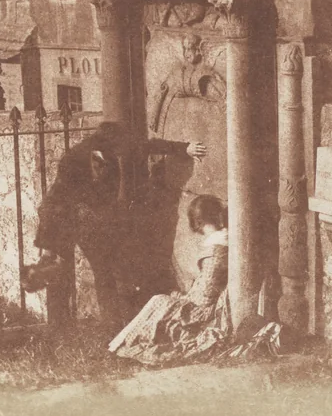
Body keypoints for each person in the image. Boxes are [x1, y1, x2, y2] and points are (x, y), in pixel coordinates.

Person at [22, 122, 206, 332]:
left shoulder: (114, 148)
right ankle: (105, 328)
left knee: (116, 272)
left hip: (102, 221)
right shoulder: (72, 161)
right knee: (101, 274)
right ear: (100, 148)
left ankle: (126, 324)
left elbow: (146, 146)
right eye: (118, 149)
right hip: (73, 220)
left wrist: (185, 148)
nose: (121, 153)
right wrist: (49, 250)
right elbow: (53, 203)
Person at [108, 193, 231, 365]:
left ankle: (120, 346)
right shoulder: (221, 241)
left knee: (158, 300)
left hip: (203, 309)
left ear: (198, 222)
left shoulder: (217, 245)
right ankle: (121, 344)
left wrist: (184, 299)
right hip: (203, 300)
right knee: (159, 300)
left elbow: (208, 290)